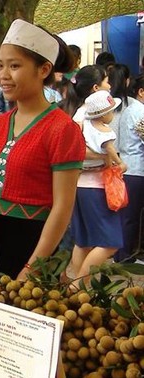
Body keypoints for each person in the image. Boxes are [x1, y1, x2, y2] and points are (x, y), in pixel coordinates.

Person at [0, 19, 85, 279]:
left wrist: (33, 269)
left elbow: (63, 208)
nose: (3, 75)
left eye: (15, 66)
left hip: (36, 243)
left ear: (43, 69)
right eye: (0, 65)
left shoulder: (62, 129)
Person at [69, 90, 125, 282]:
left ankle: (79, 288)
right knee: (111, 243)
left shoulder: (81, 122)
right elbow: (112, 155)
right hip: (97, 187)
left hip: (78, 185)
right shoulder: (104, 131)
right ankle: (78, 286)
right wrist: (118, 163)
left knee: (82, 241)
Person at [116, 74, 144, 262]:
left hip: (127, 166)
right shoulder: (140, 112)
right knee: (131, 216)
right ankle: (124, 256)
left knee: (127, 216)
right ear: (141, 91)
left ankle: (122, 253)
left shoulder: (129, 109)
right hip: (136, 169)